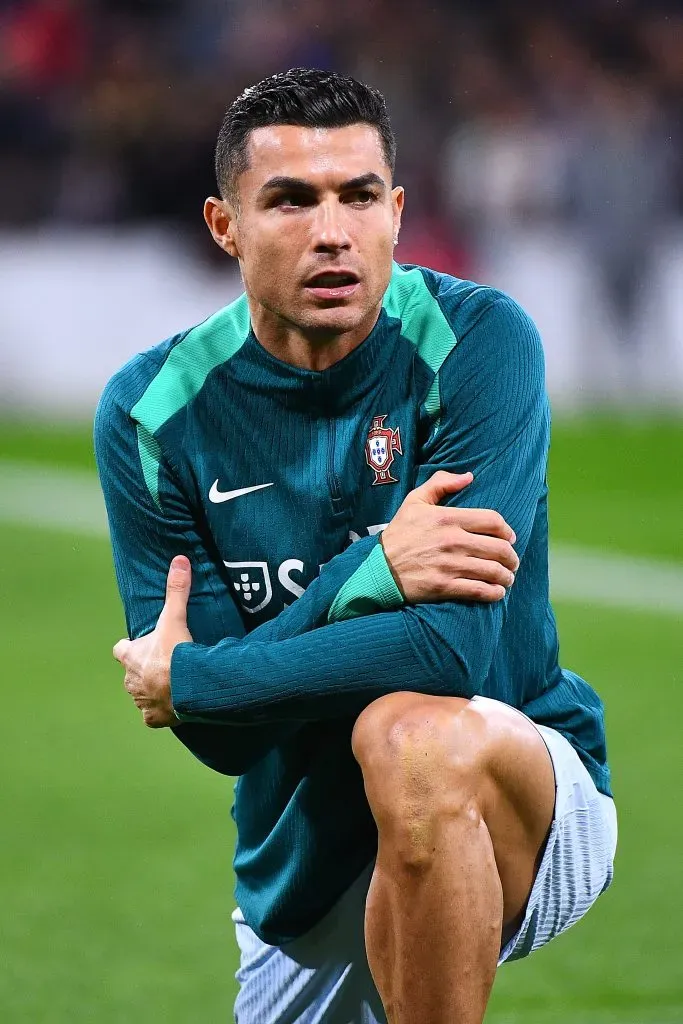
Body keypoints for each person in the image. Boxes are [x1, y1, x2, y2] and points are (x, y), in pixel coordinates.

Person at [96, 68, 617, 1024]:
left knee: (409, 734)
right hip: (301, 863)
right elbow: (219, 744)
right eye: (290, 200)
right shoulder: (152, 410)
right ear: (225, 227)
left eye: (359, 196)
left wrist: (200, 678)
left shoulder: (475, 342)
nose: (332, 231)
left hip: (525, 792)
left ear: (396, 210)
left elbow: (449, 653)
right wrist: (372, 572)